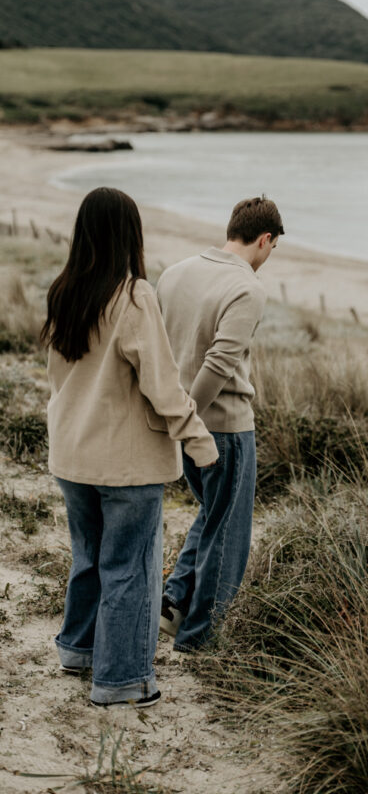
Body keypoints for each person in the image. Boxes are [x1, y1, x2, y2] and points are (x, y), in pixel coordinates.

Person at [42, 187, 217, 707]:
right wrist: (199, 440)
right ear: (128, 234)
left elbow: (57, 379)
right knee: (130, 571)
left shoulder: (64, 290)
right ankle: (121, 682)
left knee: (90, 559)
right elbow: (162, 385)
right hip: (125, 463)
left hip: (71, 453)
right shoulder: (134, 295)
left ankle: (78, 651)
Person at [157, 195, 284, 651]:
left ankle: (172, 603)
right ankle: (201, 639)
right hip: (225, 429)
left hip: (178, 419)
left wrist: (174, 419)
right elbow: (219, 364)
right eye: (272, 248)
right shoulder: (247, 287)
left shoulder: (175, 272)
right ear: (265, 239)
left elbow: (158, 351)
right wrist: (188, 422)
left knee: (212, 518)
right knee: (229, 536)